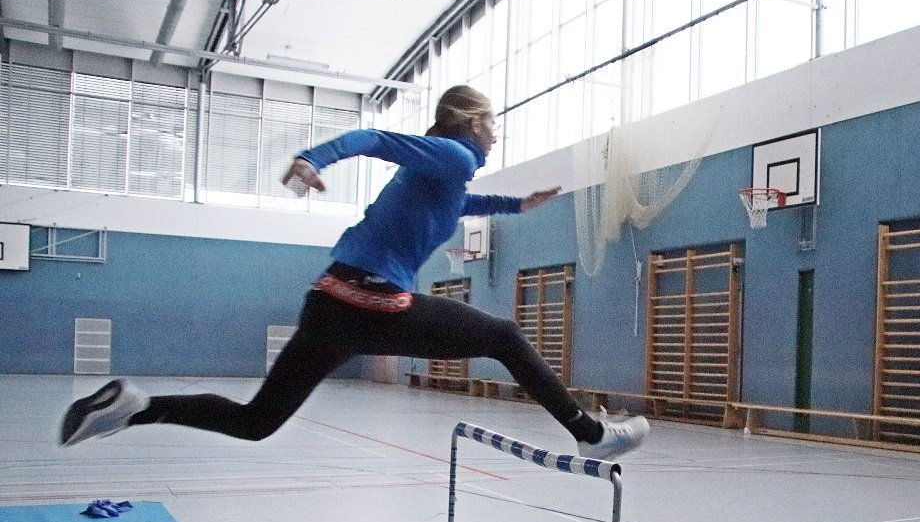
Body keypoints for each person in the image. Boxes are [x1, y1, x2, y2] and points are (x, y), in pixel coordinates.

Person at [59, 85, 649, 460]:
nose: (496, 132)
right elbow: (372, 137)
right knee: (504, 336)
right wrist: (312, 159)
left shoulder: (442, 181)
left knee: (257, 421)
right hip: (373, 302)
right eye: (492, 120)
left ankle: (134, 406)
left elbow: (462, 206)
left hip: (331, 303)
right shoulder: (454, 155)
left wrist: (516, 205)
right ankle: (590, 434)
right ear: (468, 122)